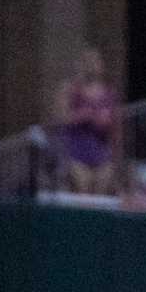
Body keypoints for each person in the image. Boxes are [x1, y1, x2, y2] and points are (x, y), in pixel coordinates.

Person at [58, 47, 120, 195]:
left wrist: (105, 122)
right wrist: (82, 115)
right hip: (76, 151)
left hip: (101, 150)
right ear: (81, 65)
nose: (92, 65)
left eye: (95, 62)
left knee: (101, 190)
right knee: (82, 188)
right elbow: (60, 118)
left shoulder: (109, 93)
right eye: (87, 62)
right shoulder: (70, 89)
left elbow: (116, 124)